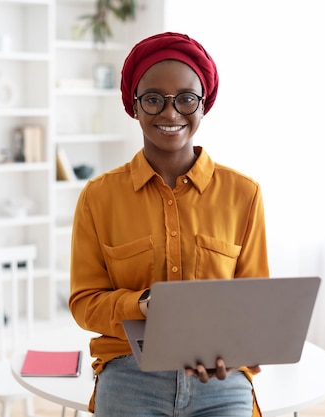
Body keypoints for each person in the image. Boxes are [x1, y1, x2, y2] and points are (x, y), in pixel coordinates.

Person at [69, 32, 270, 417]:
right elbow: (84, 303)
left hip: (219, 378)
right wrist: (142, 304)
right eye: (153, 99)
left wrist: (235, 349)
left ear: (204, 103)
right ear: (134, 106)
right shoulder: (98, 197)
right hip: (129, 373)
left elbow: (254, 305)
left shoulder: (244, 193)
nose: (170, 112)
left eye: (186, 98)